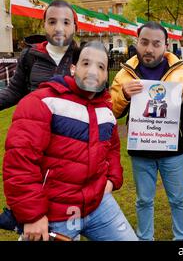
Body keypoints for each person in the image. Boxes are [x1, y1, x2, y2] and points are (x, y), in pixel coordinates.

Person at [2, 41, 137, 241]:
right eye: (86, 63)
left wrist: (111, 180)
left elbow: (112, 149)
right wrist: (32, 215)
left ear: (106, 74)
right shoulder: (42, 102)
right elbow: (20, 161)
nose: (93, 71)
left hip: (98, 204)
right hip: (53, 213)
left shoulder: (106, 111)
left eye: (101, 67)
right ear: (73, 68)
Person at [110, 21, 183, 241]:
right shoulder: (125, 74)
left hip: (174, 149)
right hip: (141, 150)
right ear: (136, 42)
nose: (149, 49)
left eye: (156, 44)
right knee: (144, 200)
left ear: (166, 45)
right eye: (144, 42)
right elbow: (112, 111)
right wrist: (124, 96)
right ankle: (145, 238)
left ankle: (181, 239)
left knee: (178, 200)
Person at [0, 0, 78, 111]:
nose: (59, 28)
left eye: (66, 22)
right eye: (52, 22)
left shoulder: (83, 57)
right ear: (44, 24)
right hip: (35, 125)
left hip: (70, 127)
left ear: (75, 27)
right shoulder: (29, 55)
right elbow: (14, 91)